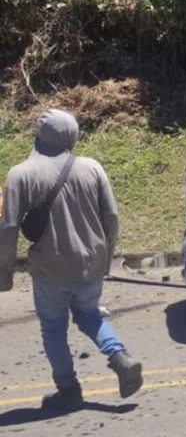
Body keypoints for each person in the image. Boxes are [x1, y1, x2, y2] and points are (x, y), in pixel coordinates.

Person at [0, 109, 143, 411]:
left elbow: (9, 228)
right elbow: (112, 217)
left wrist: (5, 272)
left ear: (38, 136)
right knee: (89, 315)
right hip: (91, 264)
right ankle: (119, 356)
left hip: (49, 269)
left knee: (53, 329)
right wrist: (106, 260)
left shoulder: (20, 174)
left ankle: (69, 390)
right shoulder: (92, 167)